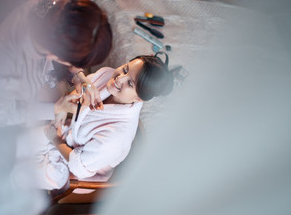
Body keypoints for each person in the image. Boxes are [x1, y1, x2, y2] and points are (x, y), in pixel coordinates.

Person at [13, 52, 182, 190]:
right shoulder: (107, 75)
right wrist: (65, 104)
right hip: (67, 133)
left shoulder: (116, 138)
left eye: (130, 83)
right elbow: (79, 92)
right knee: (15, 146)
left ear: (138, 98)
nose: (119, 79)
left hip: (75, 165)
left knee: (17, 175)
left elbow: (78, 166)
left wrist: (55, 140)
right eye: (125, 69)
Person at [0, 0, 112, 127]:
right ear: (55, 56)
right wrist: (55, 109)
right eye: (74, 64)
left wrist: (79, 76)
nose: (75, 68)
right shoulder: (4, 71)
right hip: (0, 110)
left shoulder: (57, 9)